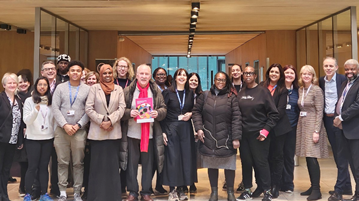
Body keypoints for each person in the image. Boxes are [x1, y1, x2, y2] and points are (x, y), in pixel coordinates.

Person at [192, 71, 241, 201]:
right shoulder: (205, 95)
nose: (220, 82)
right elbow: (196, 112)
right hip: (208, 136)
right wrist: (199, 129)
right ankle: (214, 192)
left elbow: (237, 118)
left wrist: (236, 138)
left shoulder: (232, 97)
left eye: (223, 80)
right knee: (212, 163)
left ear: (226, 82)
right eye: (218, 79)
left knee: (229, 165)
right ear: (214, 80)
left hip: (226, 137)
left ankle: (230, 192)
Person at [122, 64, 166, 201]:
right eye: (141, 74)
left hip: (150, 134)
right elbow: (120, 110)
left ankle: (146, 192)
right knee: (131, 165)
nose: (144, 76)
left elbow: (164, 109)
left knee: (148, 165)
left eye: (147, 74)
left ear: (150, 76)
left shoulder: (155, 91)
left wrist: (157, 113)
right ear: (136, 75)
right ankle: (133, 192)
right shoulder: (128, 90)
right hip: (132, 133)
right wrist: (130, 112)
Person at [236, 66, 279, 201]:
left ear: (255, 76)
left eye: (250, 73)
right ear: (243, 76)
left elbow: (274, 114)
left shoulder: (263, 92)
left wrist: (265, 130)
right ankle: (247, 189)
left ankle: (267, 191)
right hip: (244, 134)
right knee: (246, 162)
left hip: (260, 134)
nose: (248, 75)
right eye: (246, 73)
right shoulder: (241, 93)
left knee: (261, 162)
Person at [85, 64, 126, 201]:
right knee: (97, 166)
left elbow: (122, 108)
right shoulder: (94, 89)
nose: (107, 75)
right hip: (97, 132)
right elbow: (88, 108)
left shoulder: (119, 89)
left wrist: (110, 121)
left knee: (112, 166)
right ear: (100, 75)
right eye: (104, 73)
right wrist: (102, 120)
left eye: (109, 72)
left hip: (113, 132)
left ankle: (113, 196)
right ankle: (96, 196)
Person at [52, 60, 90, 201]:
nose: (75, 73)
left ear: (82, 73)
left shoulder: (87, 89)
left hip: (79, 131)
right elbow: (55, 108)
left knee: (78, 163)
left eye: (78, 71)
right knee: (62, 162)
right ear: (68, 72)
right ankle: (62, 191)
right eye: (72, 70)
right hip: (62, 131)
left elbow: (89, 110)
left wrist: (78, 125)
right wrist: (65, 125)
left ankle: (76, 192)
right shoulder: (60, 88)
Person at [161, 69, 197, 201]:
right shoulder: (167, 93)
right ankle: (172, 190)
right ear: (175, 78)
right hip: (171, 128)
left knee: (185, 159)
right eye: (179, 75)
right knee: (173, 159)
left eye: (184, 75)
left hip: (186, 129)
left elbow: (195, 109)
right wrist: (163, 131)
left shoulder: (189, 93)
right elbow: (162, 113)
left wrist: (191, 114)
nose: (182, 77)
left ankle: (182, 189)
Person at [318, 57, 351, 199]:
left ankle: (339, 189)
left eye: (331, 66)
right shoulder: (321, 81)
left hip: (340, 120)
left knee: (341, 155)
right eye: (326, 66)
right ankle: (347, 187)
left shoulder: (343, 79)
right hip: (328, 119)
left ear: (336, 67)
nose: (328, 68)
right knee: (338, 155)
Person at [296, 65, 328, 201]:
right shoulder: (301, 90)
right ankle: (312, 185)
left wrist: (316, 131)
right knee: (307, 157)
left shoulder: (317, 90)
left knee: (312, 157)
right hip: (302, 125)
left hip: (313, 126)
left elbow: (320, 111)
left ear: (313, 76)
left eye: (309, 74)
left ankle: (317, 189)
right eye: (304, 74)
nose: (306, 76)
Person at [260, 63, 291, 198]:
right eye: (272, 71)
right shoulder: (261, 86)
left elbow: (280, 110)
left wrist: (269, 121)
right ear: (268, 73)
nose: (274, 74)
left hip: (278, 128)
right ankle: (263, 185)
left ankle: (275, 186)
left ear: (280, 75)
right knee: (264, 157)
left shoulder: (283, 89)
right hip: (262, 127)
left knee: (277, 157)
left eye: (276, 72)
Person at [22, 77, 54, 201]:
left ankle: (44, 194)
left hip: (47, 138)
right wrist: (36, 111)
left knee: (44, 167)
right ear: (35, 86)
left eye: (45, 85)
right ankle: (28, 194)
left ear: (48, 87)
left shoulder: (51, 101)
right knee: (32, 167)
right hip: (32, 138)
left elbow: (54, 120)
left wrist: (54, 135)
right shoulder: (30, 101)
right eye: (40, 84)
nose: (42, 87)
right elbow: (26, 120)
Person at [332, 59, 359, 201]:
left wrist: (341, 117)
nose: (349, 72)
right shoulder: (345, 84)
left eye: (352, 69)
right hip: (342, 130)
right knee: (343, 161)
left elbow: (357, 105)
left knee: (357, 164)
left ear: (358, 69)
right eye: (347, 69)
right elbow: (341, 103)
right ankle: (341, 190)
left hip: (355, 131)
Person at [0, 73, 25, 201]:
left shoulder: (18, 100)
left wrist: (20, 139)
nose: (12, 85)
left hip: (12, 140)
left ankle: (4, 195)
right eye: (9, 83)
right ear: (4, 85)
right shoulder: (0, 98)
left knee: (6, 170)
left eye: (14, 83)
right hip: (1, 139)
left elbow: (20, 123)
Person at [40, 60, 61, 197]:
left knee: (58, 161)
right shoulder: (38, 86)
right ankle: (40, 190)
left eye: (52, 68)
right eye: (47, 69)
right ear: (42, 72)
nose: (50, 71)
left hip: (59, 127)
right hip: (42, 130)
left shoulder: (62, 86)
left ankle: (55, 188)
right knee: (41, 162)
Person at [280, 65, 300, 193]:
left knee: (288, 156)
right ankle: (276, 182)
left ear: (295, 76)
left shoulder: (298, 91)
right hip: (278, 128)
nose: (289, 75)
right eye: (286, 73)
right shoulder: (278, 90)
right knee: (277, 156)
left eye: (291, 73)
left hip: (292, 128)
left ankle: (288, 184)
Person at [15, 73, 33, 197]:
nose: (23, 84)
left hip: (32, 133)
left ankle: (31, 187)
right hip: (19, 134)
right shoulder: (15, 97)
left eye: (25, 81)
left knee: (32, 162)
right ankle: (22, 187)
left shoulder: (33, 96)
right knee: (23, 162)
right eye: (20, 82)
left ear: (29, 83)